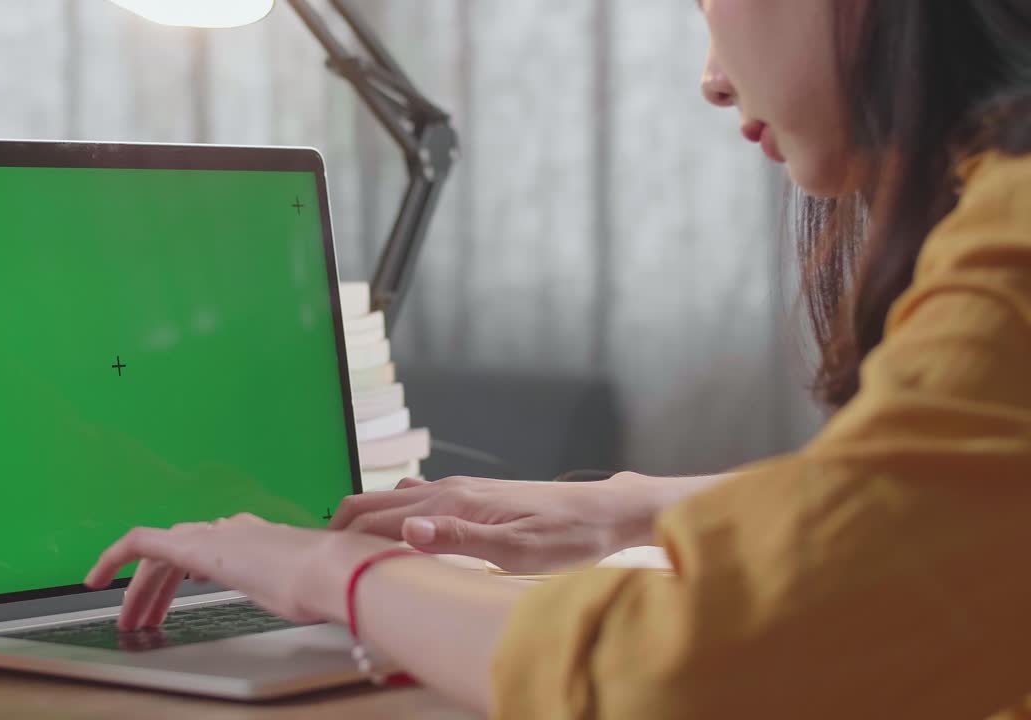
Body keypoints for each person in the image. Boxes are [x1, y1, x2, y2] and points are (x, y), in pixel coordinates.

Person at [84, 1, 1031, 717]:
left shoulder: (1012, 247)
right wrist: (624, 506)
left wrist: (323, 571)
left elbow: (673, 670)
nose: (712, 78)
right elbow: (940, 495)